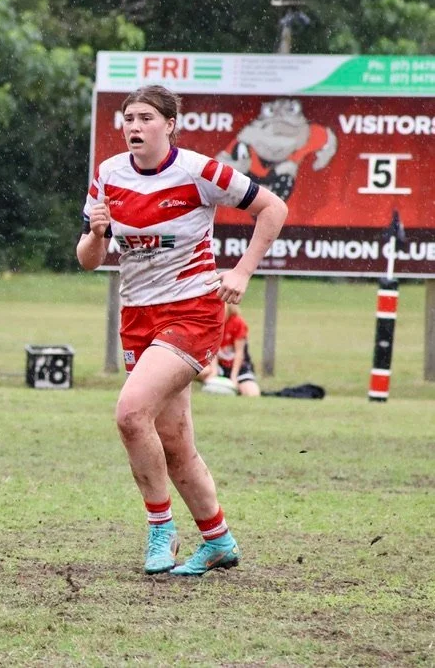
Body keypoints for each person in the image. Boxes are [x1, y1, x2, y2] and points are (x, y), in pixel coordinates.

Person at [77, 85, 287, 576]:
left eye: (146, 118)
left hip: (191, 312)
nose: (134, 126)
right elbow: (88, 260)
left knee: (131, 414)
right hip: (137, 317)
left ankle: (161, 529)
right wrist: (97, 234)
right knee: (173, 443)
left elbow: (273, 208)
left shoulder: (198, 171)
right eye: (129, 118)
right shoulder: (108, 175)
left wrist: (242, 272)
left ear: (170, 125)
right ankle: (218, 541)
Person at [197, 304, 261, 396]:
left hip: (238, 368)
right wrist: (214, 371)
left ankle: (236, 386)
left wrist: (233, 376)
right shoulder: (213, 322)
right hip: (218, 366)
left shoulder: (238, 323)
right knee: (197, 370)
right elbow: (212, 350)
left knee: (253, 393)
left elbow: (239, 353)